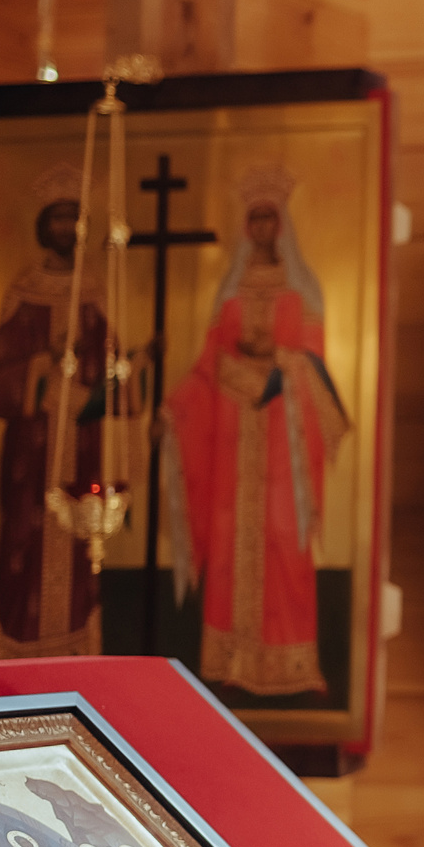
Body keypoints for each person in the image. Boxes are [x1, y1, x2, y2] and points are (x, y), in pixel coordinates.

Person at [161, 166, 350, 695]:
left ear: (282, 224)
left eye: (271, 217)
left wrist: (279, 364)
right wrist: (174, 410)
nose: (264, 227)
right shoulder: (230, 292)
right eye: (255, 218)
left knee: (284, 542)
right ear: (248, 227)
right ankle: (228, 660)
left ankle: (289, 662)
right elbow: (207, 365)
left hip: (282, 442)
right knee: (229, 544)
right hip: (230, 442)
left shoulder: (302, 290)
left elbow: (314, 367)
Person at [0, 166, 108, 658]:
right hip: (30, 454)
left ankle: (75, 649)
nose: (64, 228)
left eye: (72, 219)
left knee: (77, 548)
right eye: (56, 218)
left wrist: (125, 367)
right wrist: (42, 363)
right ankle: (15, 653)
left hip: (81, 444)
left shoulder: (93, 293)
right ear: (43, 225)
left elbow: (108, 370)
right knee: (22, 543)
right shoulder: (23, 290)